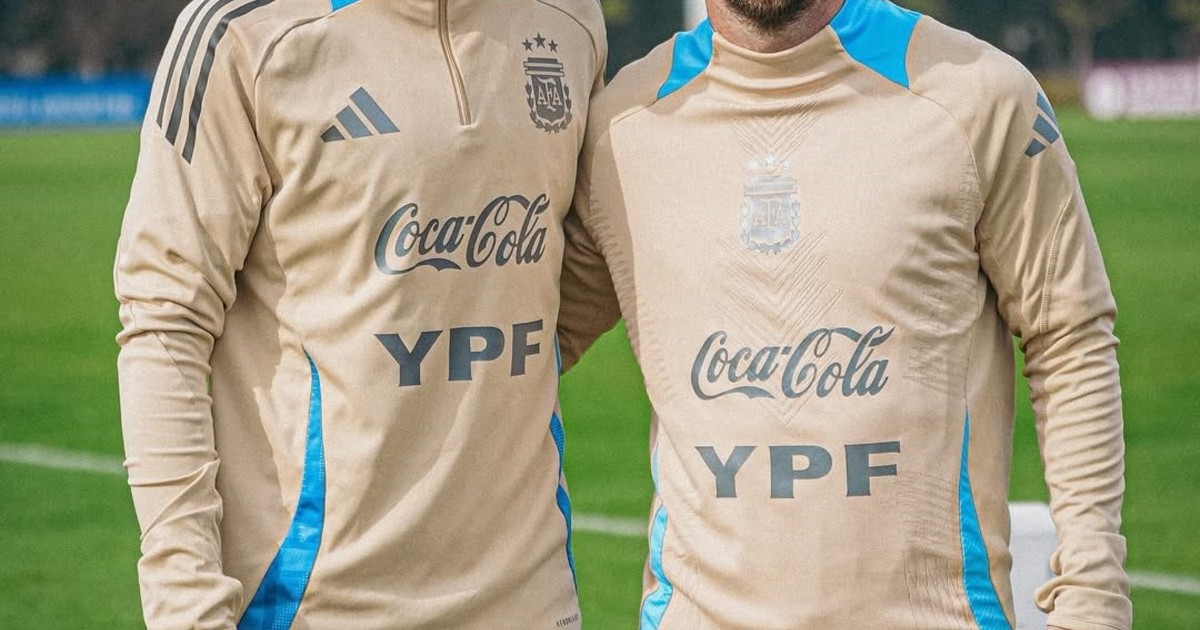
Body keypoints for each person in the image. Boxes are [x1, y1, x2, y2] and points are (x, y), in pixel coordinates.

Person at [557, 0, 1131, 628]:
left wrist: (1093, 598)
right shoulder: (624, 126)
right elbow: (527, 347)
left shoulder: (979, 96)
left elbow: (1069, 337)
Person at [115, 0, 605, 627]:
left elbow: (584, 266)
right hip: (317, 607)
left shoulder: (569, 19)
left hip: (530, 602)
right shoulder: (244, 31)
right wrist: (186, 605)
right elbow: (165, 323)